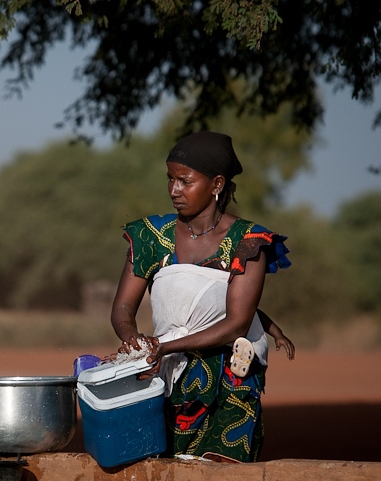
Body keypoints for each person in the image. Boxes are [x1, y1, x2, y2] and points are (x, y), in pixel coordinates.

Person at [110, 131, 292, 463]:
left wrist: (163, 346)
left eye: (185, 181)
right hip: (168, 374)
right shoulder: (152, 236)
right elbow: (123, 307)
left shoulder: (247, 242)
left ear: (217, 184)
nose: (174, 190)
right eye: (170, 179)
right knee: (164, 472)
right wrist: (135, 344)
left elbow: (236, 323)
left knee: (221, 478)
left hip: (231, 378)